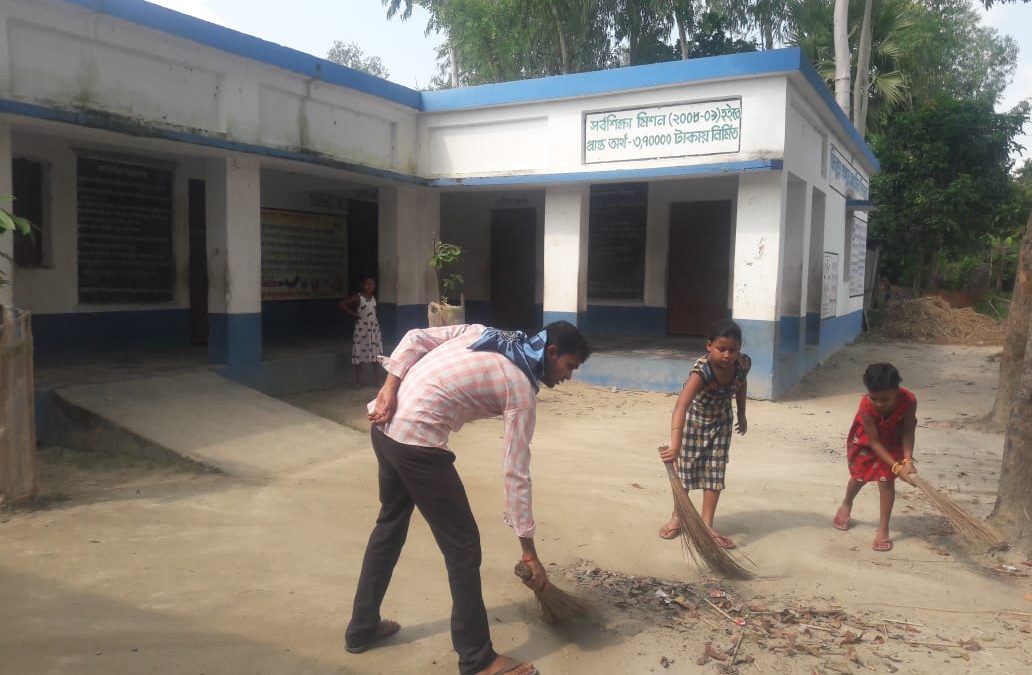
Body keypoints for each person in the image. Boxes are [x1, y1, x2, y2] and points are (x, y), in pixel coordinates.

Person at [345, 321, 591, 675]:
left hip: (385, 428)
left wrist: (388, 388)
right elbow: (516, 473)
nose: (569, 376)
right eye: (569, 366)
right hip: (417, 443)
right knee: (463, 549)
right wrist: (528, 550)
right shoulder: (520, 387)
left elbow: (415, 337)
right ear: (552, 353)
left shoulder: (485, 332)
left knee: (389, 526)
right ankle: (477, 660)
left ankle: (362, 628)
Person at [658, 319, 750, 549]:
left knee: (715, 472)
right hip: (695, 423)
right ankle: (679, 517)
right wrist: (676, 444)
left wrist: (742, 414)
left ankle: (707, 524)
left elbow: (741, 383)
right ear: (709, 346)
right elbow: (681, 406)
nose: (727, 355)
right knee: (687, 472)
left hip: (722, 422)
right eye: (721, 349)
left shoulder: (742, 363)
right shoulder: (701, 372)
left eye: (733, 350)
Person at [833, 363, 917, 551]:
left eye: (885, 399)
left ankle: (883, 529)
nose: (878, 404)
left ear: (897, 390)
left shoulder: (909, 400)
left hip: (893, 439)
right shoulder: (866, 404)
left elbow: (908, 430)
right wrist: (896, 467)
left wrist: (907, 461)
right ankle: (846, 504)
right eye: (875, 398)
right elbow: (875, 442)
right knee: (859, 477)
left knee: (886, 482)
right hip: (867, 441)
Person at [339, 277, 384, 388]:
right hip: (362, 329)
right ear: (363, 285)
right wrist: (355, 315)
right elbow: (342, 304)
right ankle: (358, 382)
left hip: (373, 329)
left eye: (372, 284)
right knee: (360, 354)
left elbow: (374, 312)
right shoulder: (358, 297)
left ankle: (377, 381)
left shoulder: (373, 299)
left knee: (376, 355)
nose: (370, 286)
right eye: (367, 284)